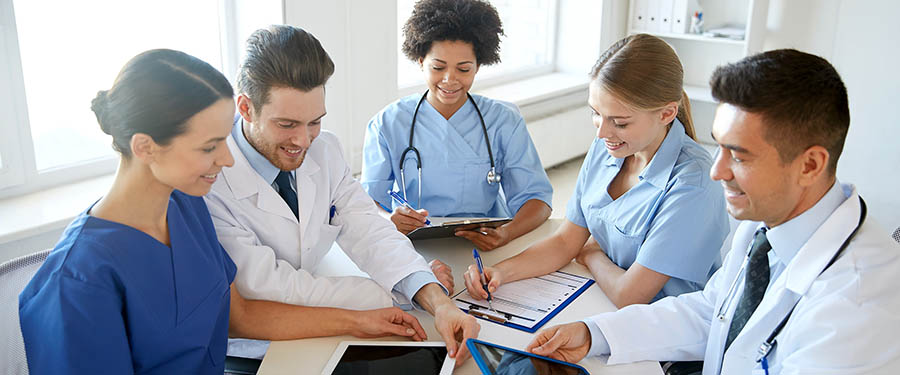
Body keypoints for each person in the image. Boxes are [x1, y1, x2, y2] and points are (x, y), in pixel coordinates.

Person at [17, 49, 423, 374]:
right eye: (210, 146)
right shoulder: (76, 282)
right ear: (145, 147)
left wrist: (361, 322)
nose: (229, 160)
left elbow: (241, 316)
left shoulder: (187, 211)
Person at [525, 49, 900, 374]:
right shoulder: (766, 228)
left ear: (810, 165)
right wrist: (596, 334)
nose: (717, 171)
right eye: (719, 147)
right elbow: (712, 311)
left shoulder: (856, 307)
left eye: (738, 155)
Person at [203, 25, 478, 363]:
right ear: (246, 108)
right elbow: (267, 287)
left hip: (328, 327)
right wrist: (399, 293)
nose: (303, 141)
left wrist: (435, 300)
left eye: (314, 121)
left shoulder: (325, 149)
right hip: (254, 350)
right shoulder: (209, 181)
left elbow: (368, 229)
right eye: (287, 125)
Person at [464, 34, 728, 308]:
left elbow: (630, 296)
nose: (602, 132)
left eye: (620, 123)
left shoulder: (693, 184)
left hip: (662, 326)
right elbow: (567, 241)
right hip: (601, 297)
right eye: (596, 113)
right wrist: (500, 272)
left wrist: (591, 254)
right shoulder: (611, 147)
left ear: (666, 114)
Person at [361, 0, 553, 250]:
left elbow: (537, 201)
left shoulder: (503, 120)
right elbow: (364, 203)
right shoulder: (388, 123)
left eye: (463, 69)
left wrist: (507, 233)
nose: (450, 80)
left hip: (485, 242)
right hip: (413, 246)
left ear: (478, 66)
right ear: (420, 61)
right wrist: (388, 220)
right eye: (438, 67)